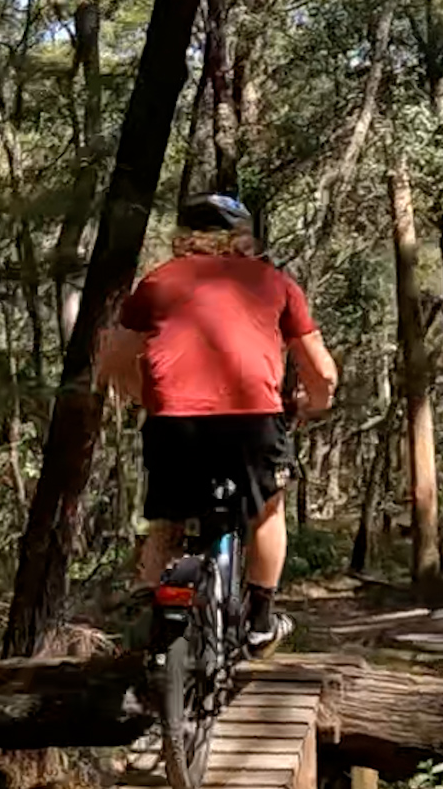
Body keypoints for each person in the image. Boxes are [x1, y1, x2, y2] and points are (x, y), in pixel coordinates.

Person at [99, 192, 335, 653]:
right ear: (243, 237)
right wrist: (315, 403)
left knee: (168, 515)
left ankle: (153, 602)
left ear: (184, 237)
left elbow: (113, 360)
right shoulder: (275, 283)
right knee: (267, 509)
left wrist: (144, 396)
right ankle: (261, 620)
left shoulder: (157, 282)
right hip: (254, 422)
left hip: (175, 424)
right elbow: (321, 371)